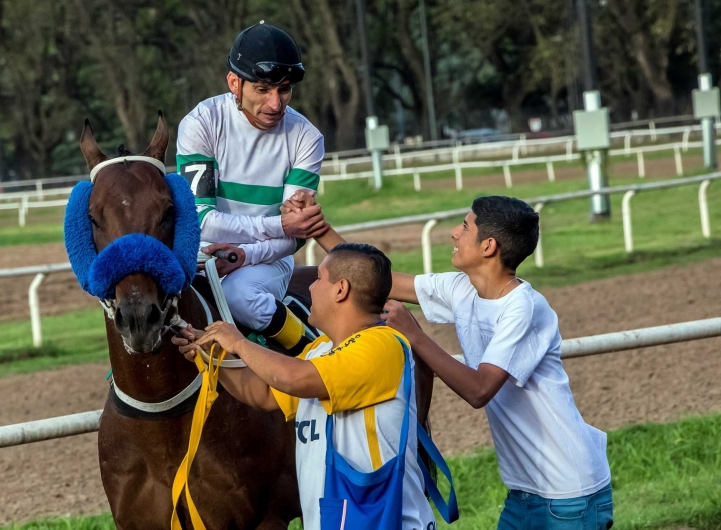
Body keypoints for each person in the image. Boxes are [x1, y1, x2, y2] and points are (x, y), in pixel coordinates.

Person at [286, 193, 613, 530]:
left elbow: (479, 390)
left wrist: (416, 337)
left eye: (465, 226)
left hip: (569, 492)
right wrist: (319, 228)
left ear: (488, 247)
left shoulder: (524, 308)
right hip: (526, 491)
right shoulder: (463, 288)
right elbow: (381, 280)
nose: (454, 234)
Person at [172, 243, 436, 530]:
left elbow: (295, 377)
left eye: (319, 278)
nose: (310, 287)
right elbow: (261, 393)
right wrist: (211, 353)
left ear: (341, 289)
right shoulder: (320, 347)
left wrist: (239, 343)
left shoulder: (382, 344)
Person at [176, 21, 326, 354]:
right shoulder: (201, 123)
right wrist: (279, 225)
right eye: (262, 89)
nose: (276, 103)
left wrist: (247, 254)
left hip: (267, 260)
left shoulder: (307, 137)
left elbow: (295, 235)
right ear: (235, 83)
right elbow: (200, 219)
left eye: (284, 89)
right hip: (198, 255)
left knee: (241, 298)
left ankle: (312, 356)